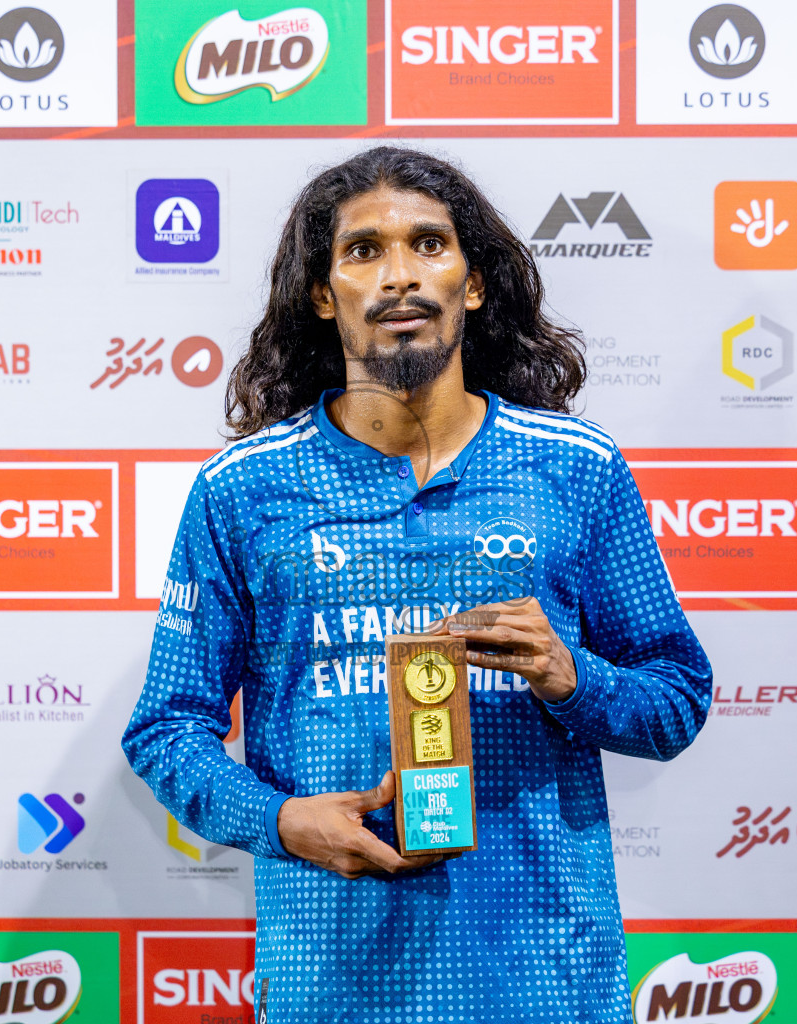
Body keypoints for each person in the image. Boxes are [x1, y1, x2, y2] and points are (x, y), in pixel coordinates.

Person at [123, 146, 711, 1023]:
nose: (400, 275)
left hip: (545, 978)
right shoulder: (244, 490)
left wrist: (570, 676)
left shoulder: (576, 470)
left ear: (473, 283)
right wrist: (280, 823)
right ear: (323, 295)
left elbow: (675, 701)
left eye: (429, 244)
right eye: (364, 250)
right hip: (334, 980)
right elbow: (167, 730)